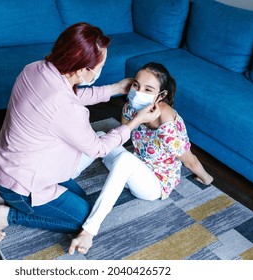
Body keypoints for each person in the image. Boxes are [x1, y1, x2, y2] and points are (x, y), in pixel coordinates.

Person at [0, 23, 161, 244]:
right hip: (21, 182)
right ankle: (8, 214)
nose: (101, 69)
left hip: (6, 165)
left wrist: (114, 89)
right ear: (82, 70)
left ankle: (0, 196)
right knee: (81, 219)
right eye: (100, 65)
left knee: (79, 199)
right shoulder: (65, 107)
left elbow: (69, 99)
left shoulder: (34, 68)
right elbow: (98, 148)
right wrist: (135, 122)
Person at [69, 62, 214, 255]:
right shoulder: (130, 106)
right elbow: (124, 134)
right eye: (136, 85)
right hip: (135, 168)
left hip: (154, 185)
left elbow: (190, 161)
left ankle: (89, 230)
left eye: (148, 89)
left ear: (161, 95)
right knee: (104, 135)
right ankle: (63, 177)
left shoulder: (166, 121)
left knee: (125, 161)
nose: (138, 92)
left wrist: (206, 178)